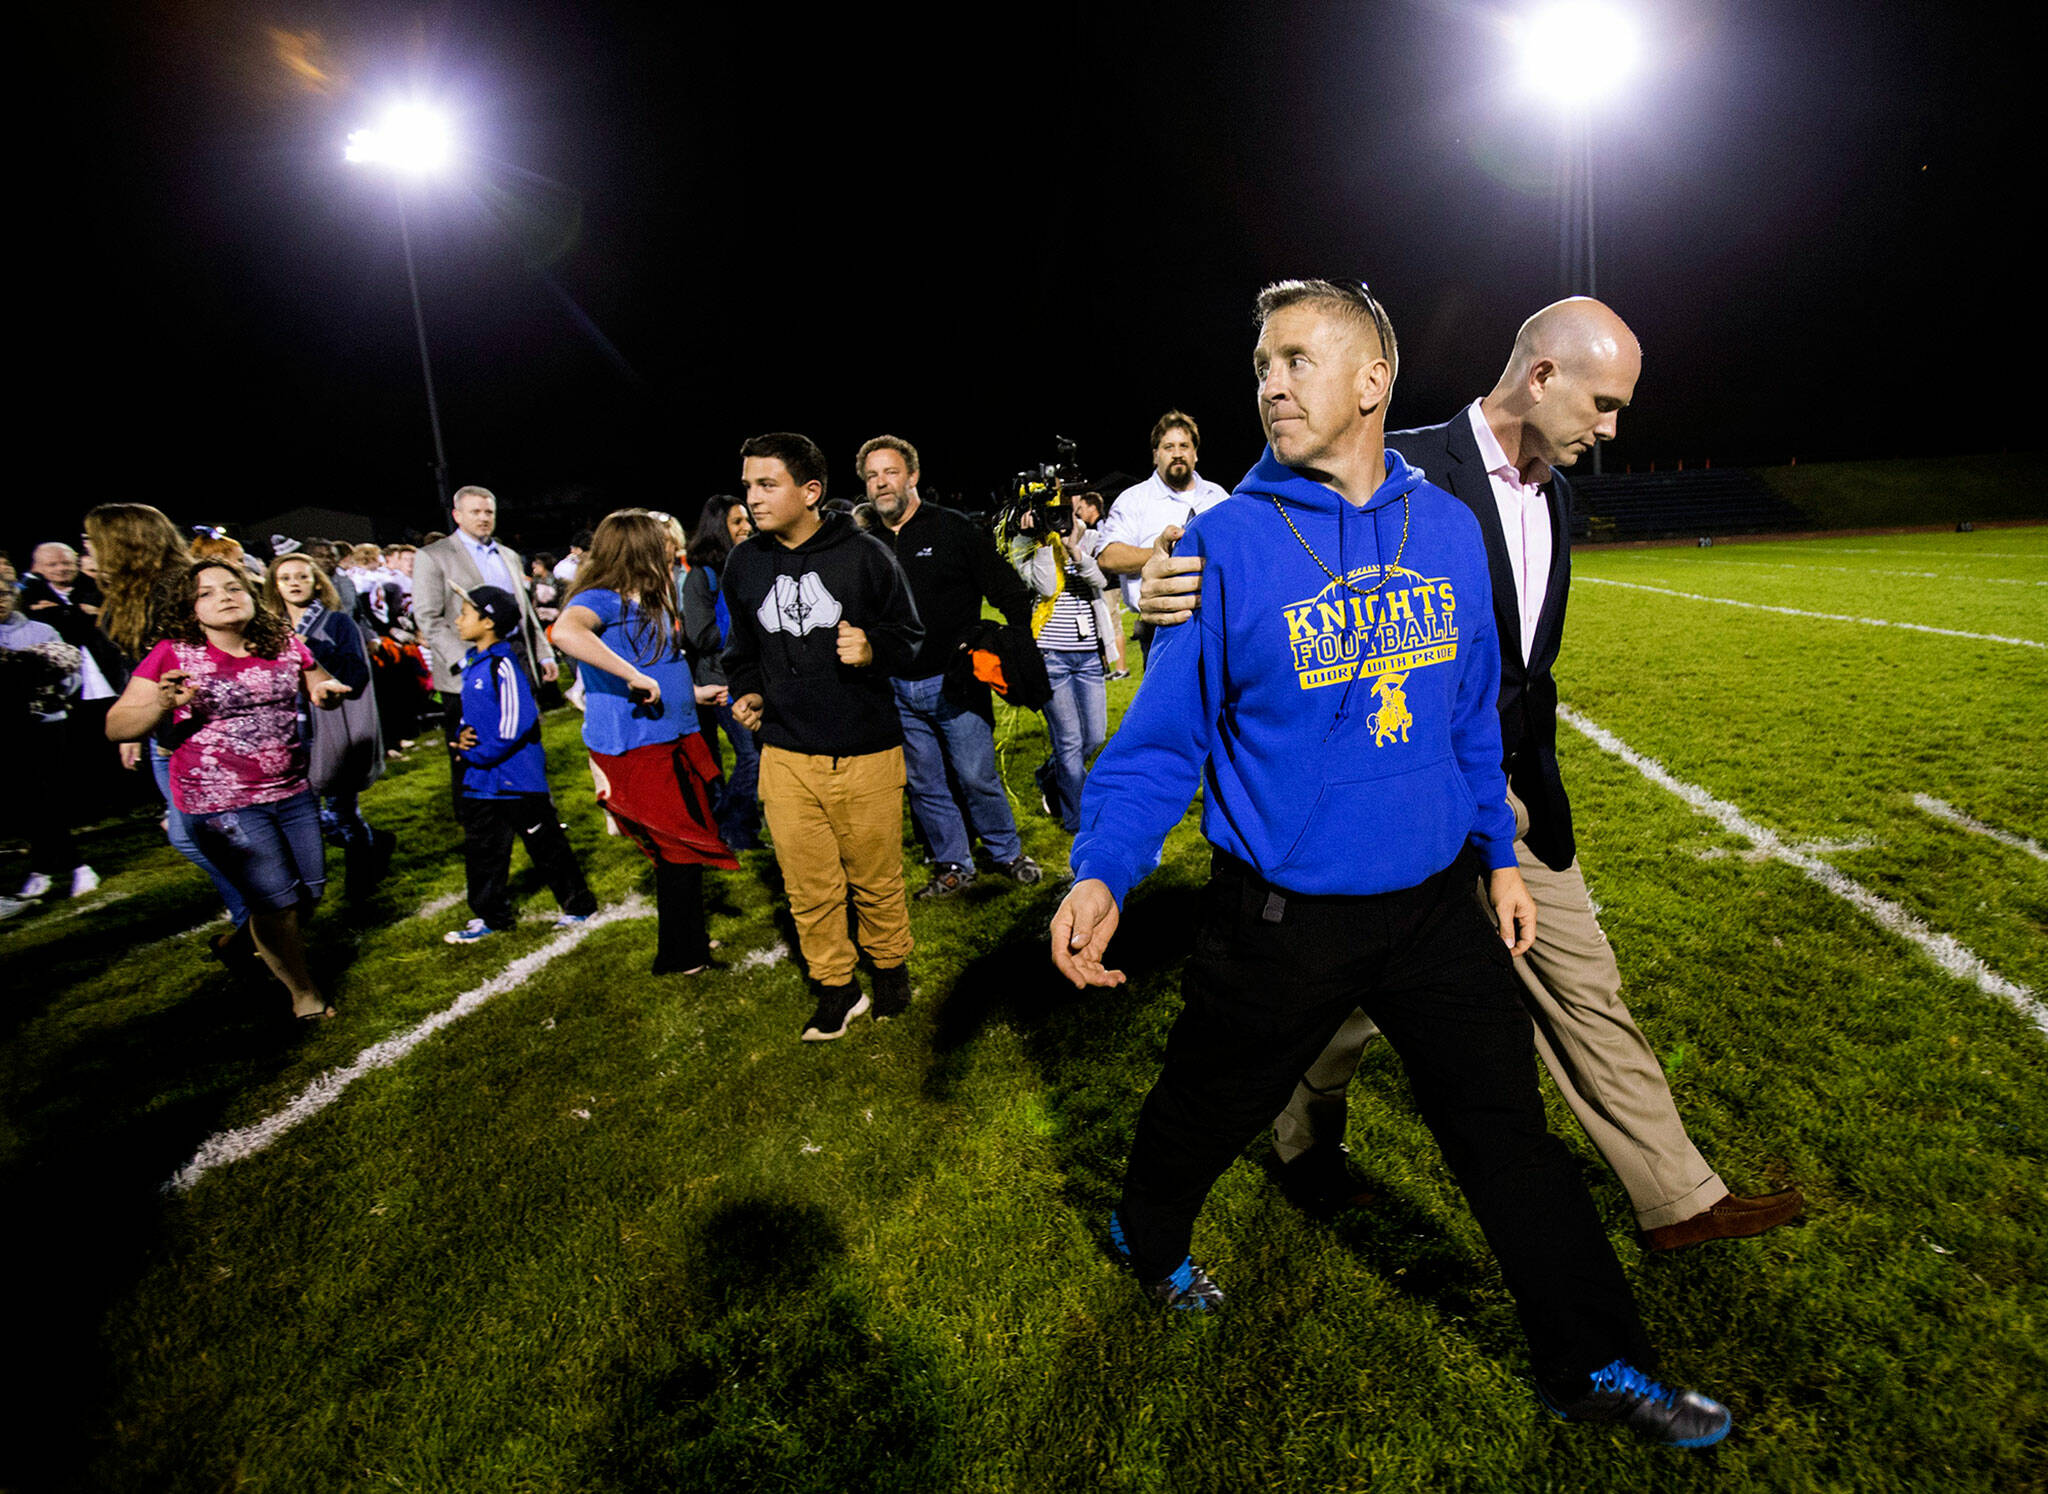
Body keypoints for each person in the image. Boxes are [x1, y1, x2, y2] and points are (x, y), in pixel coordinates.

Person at [1052, 280, 1730, 1447]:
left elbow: (1471, 721)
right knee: (1202, 1111)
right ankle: (1146, 1236)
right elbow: (1159, 744)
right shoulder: (1221, 546)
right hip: (1280, 919)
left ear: (1372, 382)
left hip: (1431, 914)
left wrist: (1499, 859)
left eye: (1298, 361)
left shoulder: (1447, 528)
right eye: (1261, 363)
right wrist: (1104, 868)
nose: (1269, 385)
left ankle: (1596, 1363)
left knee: (1505, 1141)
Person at [1137, 296, 1805, 1252]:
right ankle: (1301, 1148)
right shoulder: (1402, 463)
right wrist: (1175, 572)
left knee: (1584, 983)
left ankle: (1679, 1195)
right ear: (1542, 377)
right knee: (1341, 1010)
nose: (1611, 428)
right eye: (1604, 403)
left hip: (1508, 801)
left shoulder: (1558, 493)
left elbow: (1525, 668)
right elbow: (1273, 493)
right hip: (1386, 793)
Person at [722, 432, 923, 1040]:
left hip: (865, 750)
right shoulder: (744, 562)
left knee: (876, 877)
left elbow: (911, 637)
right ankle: (837, 986)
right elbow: (741, 652)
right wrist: (749, 690)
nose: (753, 498)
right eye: (749, 485)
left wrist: (873, 648)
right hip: (785, 755)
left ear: (810, 492)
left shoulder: (863, 554)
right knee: (807, 887)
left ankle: (889, 969)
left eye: (767, 484)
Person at [107, 560, 352, 1020]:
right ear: (189, 607)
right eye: (207, 592)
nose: (224, 595)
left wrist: (325, 690)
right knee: (276, 902)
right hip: (221, 802)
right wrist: (162, 703)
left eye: (233, 586)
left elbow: (314, 675)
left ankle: (235, 946)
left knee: (308, 894)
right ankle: (304, 995)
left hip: (291, 789)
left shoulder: (280, 639)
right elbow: (116, 725)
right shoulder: (173, 654)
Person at [858, 434, 1043, 897]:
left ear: (913, 476)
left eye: (890, 472)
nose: (881, 483)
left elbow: (1007, 590)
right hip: (897, 687)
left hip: (955, 683)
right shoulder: (867, 545)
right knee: (925, 786)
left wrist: (1016, 645)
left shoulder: (953, 528)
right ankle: (954, 864)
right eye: (872, 476)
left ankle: (1006, 851)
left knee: (976, 775)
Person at [551, 512, 733, 970]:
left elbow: (656, 665)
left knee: (680, 847)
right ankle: (681, 953)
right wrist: (630, 675)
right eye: (664, 544)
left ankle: (683, 942)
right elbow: (567, 631)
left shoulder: (644, 598)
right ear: (640, 550)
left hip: (669, 733)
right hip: (638, 743)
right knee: (677, 845)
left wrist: (692, 693)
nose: (674, 550)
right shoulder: (603, 599)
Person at [88, 503, 258, 966]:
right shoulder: (131, 594)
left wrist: (160, 721)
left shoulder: (180, 588)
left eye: (93, 540)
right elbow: (138, 669)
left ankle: (260, 920)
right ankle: (256, 921)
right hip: (163, 721)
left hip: (194, 726)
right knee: (197, 833)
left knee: (203, 834)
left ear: (122, 542)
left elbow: (198, 660)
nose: (88, 549)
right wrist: (134, 724)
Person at [441, 585, 599, 944]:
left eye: (465, 613)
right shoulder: (473, 663)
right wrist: (462, 736)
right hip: (481, 781)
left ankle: (578, 905)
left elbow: (516, 721)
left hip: (515, 779)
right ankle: (491, 915)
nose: (458, 620)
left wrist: (475, 754)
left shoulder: (503, 663)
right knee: (482, 851)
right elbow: (475, 717)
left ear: (488, 621)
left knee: (546, 845)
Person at [264, 555, 395, 897]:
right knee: (304, 815)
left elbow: (356, 673)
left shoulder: (337, 623)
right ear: (274, 587)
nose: (294, 583)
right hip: (287, 731)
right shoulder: (268, 628)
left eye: (302, 577)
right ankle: (374, 843)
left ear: (317, 582)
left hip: (330, 727)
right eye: (285, 578)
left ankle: (362, 883)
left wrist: (315, 650)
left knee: (340, 811)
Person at [412, 487, 556, 794]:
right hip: (468, 669)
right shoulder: (433, 557)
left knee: (525, 739)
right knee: (473, 749)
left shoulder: (509, 555)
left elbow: (525, 610)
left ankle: (536, 814)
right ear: (457, 515)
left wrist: (543, 653)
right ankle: (483, 826)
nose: (483, 518)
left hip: (515, 657)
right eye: (475, 512)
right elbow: (427, 617)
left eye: (488, 511)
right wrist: (465, 661)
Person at [1092, 412, 1230, 666]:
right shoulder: (1135, 499)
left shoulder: (1218, 496)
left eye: (1184, 446)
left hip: (1221, 623)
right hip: (1161, 628)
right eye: (1168, 447)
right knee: (1172, 705)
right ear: (1156, 455)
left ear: (1195, 453)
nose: (1177, 453)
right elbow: (1107, 556)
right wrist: (1167, 555)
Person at [1009, 494, 1111, 834]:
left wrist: (1073, 548)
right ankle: (1078, 821)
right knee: (1069, 741)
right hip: (1052, 655)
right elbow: (1048, 586)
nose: (1060, 518)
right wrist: (1041, 542)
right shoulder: (1022, 545)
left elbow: (1099, 581)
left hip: (1088, 655)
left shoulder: (1091, 538)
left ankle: (1049, 775)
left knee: (1094, 736)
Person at [0, 576, 93, 914]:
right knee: (24, 802)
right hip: (7, 730)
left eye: (4, 593)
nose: (1, 600)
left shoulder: (40, 631)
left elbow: (71, 675)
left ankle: (77, 866)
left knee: (47, 798)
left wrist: (48, 689)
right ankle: (43, 868)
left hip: (45, 727)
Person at [681, 495, 763, 851]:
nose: (747, 527)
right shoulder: (701, 577)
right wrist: (751, 625)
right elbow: (701, 635)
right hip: (720, 681)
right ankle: (727, 823)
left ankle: (744, 832)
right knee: (752, 758)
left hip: (750, 676)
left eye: (747, 520)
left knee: (760, 755)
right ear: (719, 529)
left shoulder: (747, 565)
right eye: (737, 522)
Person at [1071, 492, 1129, 680]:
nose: (1079, 513)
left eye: (1082, 508)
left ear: (1092, 508)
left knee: (1113, 624)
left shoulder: (1102, 526)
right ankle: (1104, 667)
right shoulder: (1091, 526)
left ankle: (1121, 669)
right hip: (1101, 583)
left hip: (1109, 583)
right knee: (1101, 625)